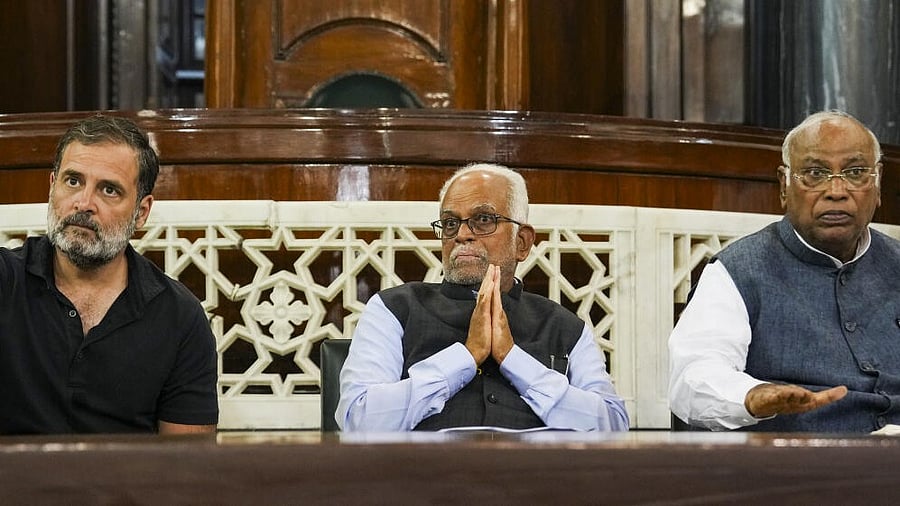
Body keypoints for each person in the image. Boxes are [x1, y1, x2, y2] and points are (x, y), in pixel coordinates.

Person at [336, 163, 629, 431]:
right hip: (425, 482)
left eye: (483, 219)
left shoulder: (566, 327)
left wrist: (512, 359)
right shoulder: (394, 310)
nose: (462, 234)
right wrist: (466, 355)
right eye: (450, 223)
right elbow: (357, 421)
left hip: (538, 481)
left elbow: (613, 427)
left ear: (522, 242)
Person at [668, 110, 900, 432]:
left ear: (877, 186)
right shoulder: (737, 271)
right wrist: (751, 396)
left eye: (855, 172)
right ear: (784, 186)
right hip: (798, 469)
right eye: (815, 173)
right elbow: (693, 378)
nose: (836, 190)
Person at [0, 114, 218, 435]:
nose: (84, 203)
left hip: (128, 484)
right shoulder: (6, 281)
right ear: (52, 186)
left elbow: (186, 468)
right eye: (73, 181)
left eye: (109, 190)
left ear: (141, 212)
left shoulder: (180, 318)